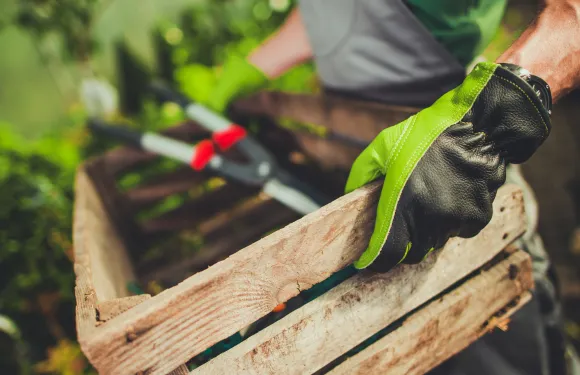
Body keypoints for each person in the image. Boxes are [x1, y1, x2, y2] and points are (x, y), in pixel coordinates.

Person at [197, 1, 580, 374]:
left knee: (508, 331)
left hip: (445, 130)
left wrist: (488, 120)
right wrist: (255, 66)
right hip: (353, 122)